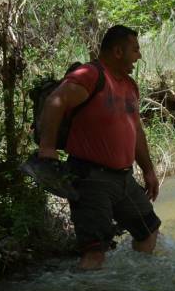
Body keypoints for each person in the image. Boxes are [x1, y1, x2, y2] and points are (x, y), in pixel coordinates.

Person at [36, 25, 161, 270]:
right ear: (117, 51)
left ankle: (138, 287)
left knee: (148, 232)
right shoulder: (90, 75)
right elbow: (54, 102)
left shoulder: (129, 85)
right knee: (94, 253)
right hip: (90, 178)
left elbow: (136, 131)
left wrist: (148, 170)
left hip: (124, 179)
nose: (139, 56)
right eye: (135, 49)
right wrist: (47, 149)